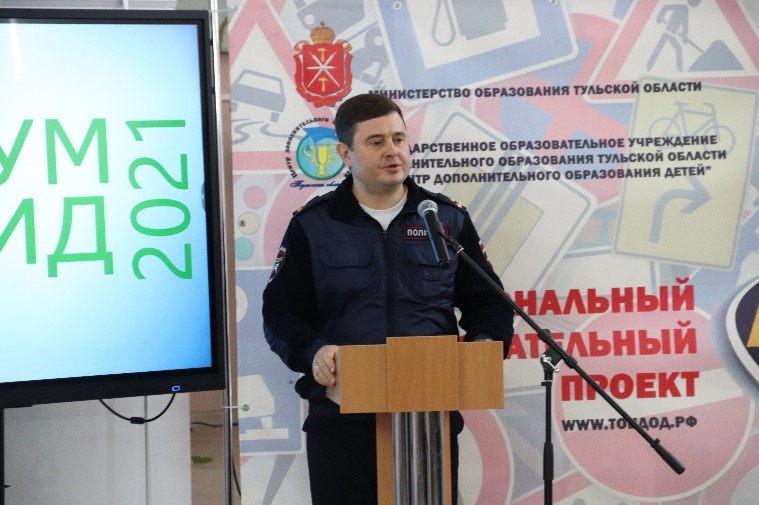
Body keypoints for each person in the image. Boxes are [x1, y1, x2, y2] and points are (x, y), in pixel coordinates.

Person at [262, 93, 514, 504]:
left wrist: (484, 346)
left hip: (428, 412)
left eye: (399, 139)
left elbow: (490, 303)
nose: (392, 151)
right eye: (376, 142)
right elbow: (280, 312)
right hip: (342, 419)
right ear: (345, 153)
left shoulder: (445, 219)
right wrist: (313, 351)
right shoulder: (314, 225)